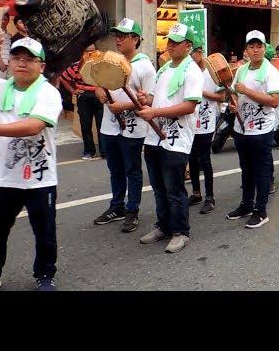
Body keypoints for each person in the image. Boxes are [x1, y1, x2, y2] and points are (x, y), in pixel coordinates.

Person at [0, 37, 63, 291]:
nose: (22, 63)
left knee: (44, 232)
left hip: (40, 179)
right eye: (17, 58)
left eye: (29, 59)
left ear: (41, 66)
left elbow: (34, 126)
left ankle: (45, 275)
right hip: (3, 177)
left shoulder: (48, 92)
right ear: (9, 63)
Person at [137, 23, 204, 253]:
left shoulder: (192, 71)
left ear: (188, 46)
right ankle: (163, 226)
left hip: (176, 139)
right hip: (154, 137)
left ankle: (180, 232)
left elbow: (189, 105)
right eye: (169, 41)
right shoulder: (164, 69)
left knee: (174, 188)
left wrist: (154, 112)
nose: (171, 45)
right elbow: (156, 98)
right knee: (158, 187)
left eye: (176, 42)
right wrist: (146, 99)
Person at [93, 18, 156, 234]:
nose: (118, 39)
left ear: (136, 39)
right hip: (109, 127)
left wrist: (124, 106)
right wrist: (98, 91)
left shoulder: (144, 66)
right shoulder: (112, 61)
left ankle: (132, 209)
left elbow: (150, 99)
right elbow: (99, 84)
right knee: (115, 169)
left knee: (132, 169)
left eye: (123, 35)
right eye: (116, 35)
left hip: (133, 128)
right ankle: (117, 206)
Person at [227, 30, 279, 228]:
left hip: (261, 131)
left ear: (264, 47)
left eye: (259, 46)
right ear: (246, 49)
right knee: (246, 169)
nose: (256, 49)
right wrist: (234, 103)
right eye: (252, 46)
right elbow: (234, 92)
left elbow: (275, 101)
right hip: (241, 128)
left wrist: (246, 91)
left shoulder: (271, 72)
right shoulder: (241, 70)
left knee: (261, 170)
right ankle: (246, 205)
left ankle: (261, 210)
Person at [187, 36, 225, 214]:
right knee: (191, 158)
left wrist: (201, 92)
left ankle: (210, 196)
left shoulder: (211, 72)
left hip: (206, 123)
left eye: (192, 52)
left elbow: (221, 97)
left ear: (199, 52)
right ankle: (196, 192)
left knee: (204, 159)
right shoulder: (187, 70)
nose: (189, 56)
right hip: (189, 122)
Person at [60, 45, 105, 160]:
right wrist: (73, 90)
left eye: (93, 51)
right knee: (85, 125)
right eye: (87, 51)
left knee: (102, 125)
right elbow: (64, 78)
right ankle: (89, 151)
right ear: (82, 52)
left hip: (99, 96)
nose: (90, 54)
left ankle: (105, 151)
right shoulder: (76, 66)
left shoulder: (101, 64)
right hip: (84, 97)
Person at [0, 13, 12, 79]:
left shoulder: (8, 34)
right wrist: (1, 62)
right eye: (1, 19)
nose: (3, 21)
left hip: (7, 63)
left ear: (8, 20)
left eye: (5, 19)